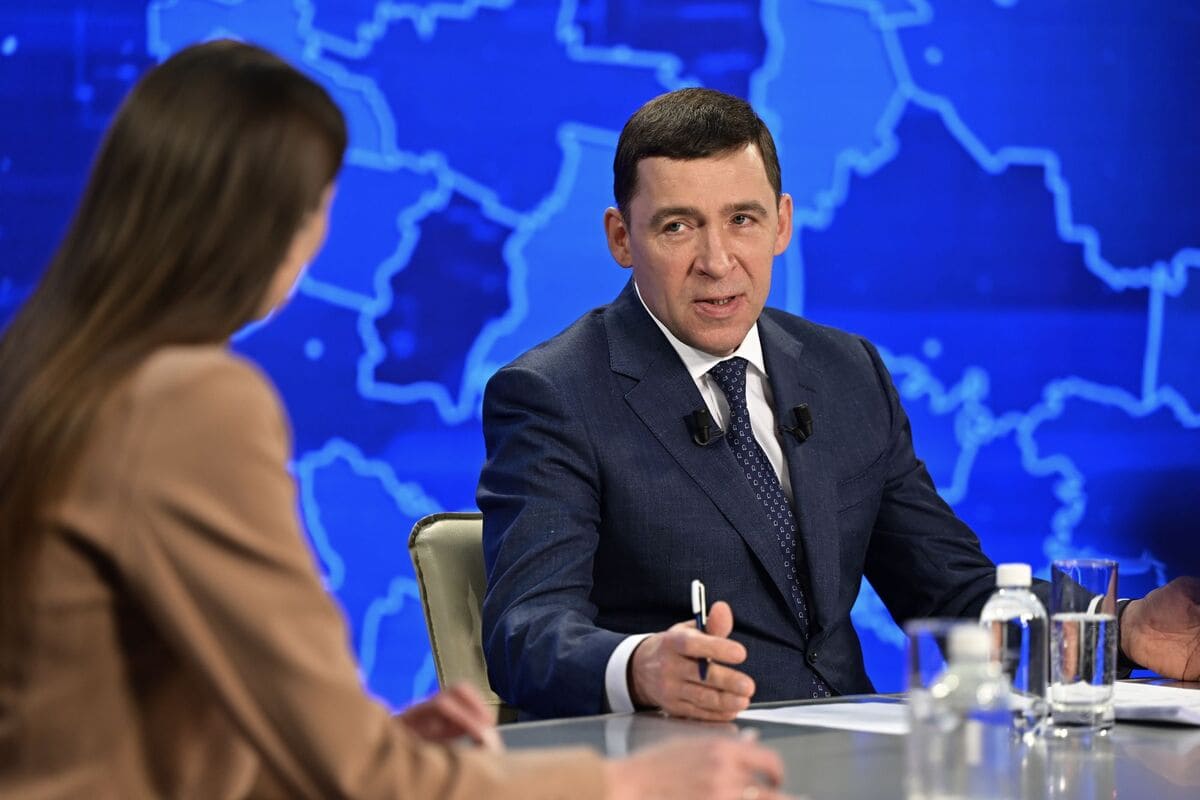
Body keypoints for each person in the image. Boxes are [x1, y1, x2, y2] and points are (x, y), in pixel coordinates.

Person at [0, 43, 789, 799]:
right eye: (320, 206)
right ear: (270, 222)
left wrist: (369, 746)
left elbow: (121, 720)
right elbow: (365, 782)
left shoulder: (49, 373)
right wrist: (622, 786)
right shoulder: (187, 404)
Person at [477, 87, 1200, 721]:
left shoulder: (847, 372)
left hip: (856, 754)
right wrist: (639, 667)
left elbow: (951, 591)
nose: (718, 261)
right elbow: (526, 630)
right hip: (690, 760)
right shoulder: (554, 394)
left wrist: (1123, 627)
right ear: (620, 237)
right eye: (677, 226)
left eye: (742, 219)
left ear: (782, 223)